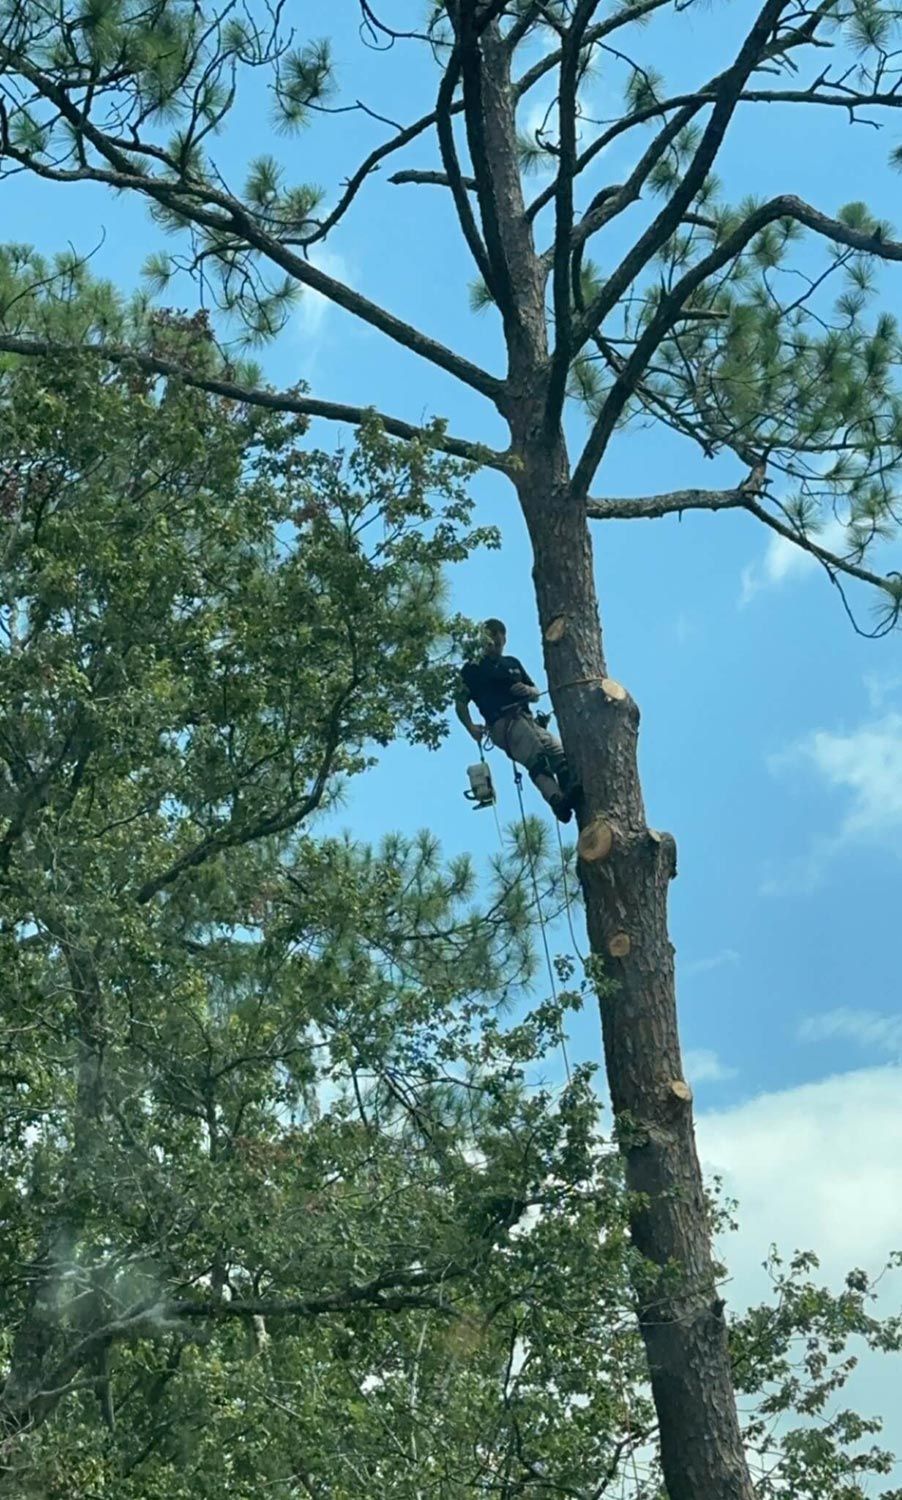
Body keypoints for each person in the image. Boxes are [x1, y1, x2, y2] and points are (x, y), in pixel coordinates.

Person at [455, 618, 578, 823]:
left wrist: (527, 690)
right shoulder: (472, 669)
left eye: (497, 637)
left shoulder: (512, 664)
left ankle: (570, 789)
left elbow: (536, 693)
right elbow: (460, 704)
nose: (493, 643)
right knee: (536, 757)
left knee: (557, 751)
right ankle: (557, 801)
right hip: (503, 724)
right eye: (488, 638)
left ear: (504, 639)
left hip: (527, 719)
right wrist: (470, 727)